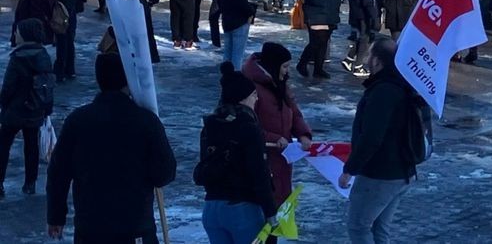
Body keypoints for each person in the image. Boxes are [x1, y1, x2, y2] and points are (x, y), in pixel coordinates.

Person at [46, 53, 177, 242]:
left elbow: (58, 173)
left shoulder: (78, 121)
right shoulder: (146, 121)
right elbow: (165, 173)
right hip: (135, 226)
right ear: (128, 80)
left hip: (91, 227)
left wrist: (55, 216)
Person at [340, 38, 429, 244]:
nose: (366, 59)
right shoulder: (402, 86)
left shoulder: (383, 91)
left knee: (358, 227)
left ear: (378, 62)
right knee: (380, 229)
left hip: (381, 173)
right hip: (401, 171)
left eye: (369, 55)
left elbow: (372, 137)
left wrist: (350, 169)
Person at [196, 62, 276, 244]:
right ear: (244, 97)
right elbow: (260, 173)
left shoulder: (210, 125)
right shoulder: (249, 127)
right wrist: (271, 212)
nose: (256, 99)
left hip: (211, 209)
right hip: (242, 210)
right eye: (254, 95)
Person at [242, 43, 313, 207]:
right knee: (265, 201)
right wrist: (273, 138)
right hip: (262, 155)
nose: (287, 71)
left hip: (282, 154)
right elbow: (246, 125)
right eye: (285, 66)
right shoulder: (250, 87)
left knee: (280, 197)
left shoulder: (280, 83)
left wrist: (303, 134)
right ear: (273, 65)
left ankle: (274, 229)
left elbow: (294, 112)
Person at [0, 19, 53, 198]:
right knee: (31, 146)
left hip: (15, 109)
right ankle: (30, 183)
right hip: (35, 108)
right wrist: (47, 107)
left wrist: (4, 103)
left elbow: (8, 86)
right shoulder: (44, 56)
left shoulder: (18, 58)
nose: (15, 35)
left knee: (3, 144)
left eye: (17, 32)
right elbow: (48, 84)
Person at [298, 0, 341, 79]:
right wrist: (320, 2)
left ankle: (318, 68)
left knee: (324, 41)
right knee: (317, 40)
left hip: (329, 13)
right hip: (316, 12)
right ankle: (302, 63)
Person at [345, 0, 380, 77]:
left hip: (356, 12)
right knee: (366, 38)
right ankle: (358, 65)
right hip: (364, 14)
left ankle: (350, 59)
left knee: (362, 37)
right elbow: (368, 1)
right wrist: (375, 17)